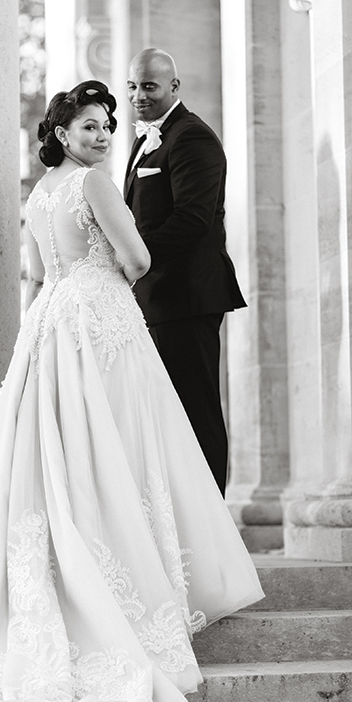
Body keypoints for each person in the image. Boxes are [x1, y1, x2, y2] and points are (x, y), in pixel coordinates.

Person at [0, 80, 263, 702]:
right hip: (99, 317)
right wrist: (122, 261)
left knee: (71, 450)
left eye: (107, 125)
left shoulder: (38, 195)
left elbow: (43, 271)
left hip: (51, 319)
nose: (103, 135)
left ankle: (88, 564)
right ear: (63, 134)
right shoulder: (96, 185)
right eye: (90, 127)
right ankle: (131, 571)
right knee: (122, 444)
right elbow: (136, 258)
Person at [123, 48, 246, 494]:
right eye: (133, 86)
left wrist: (128, 254)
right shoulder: (145, 139)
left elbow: (193, 220)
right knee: (166, 416)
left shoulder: (192, 137)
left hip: (188, 298)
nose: (139, 95)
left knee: (197, 412)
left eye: (149, 86)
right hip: (157, 298)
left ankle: (214, 523)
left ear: (174, 87)